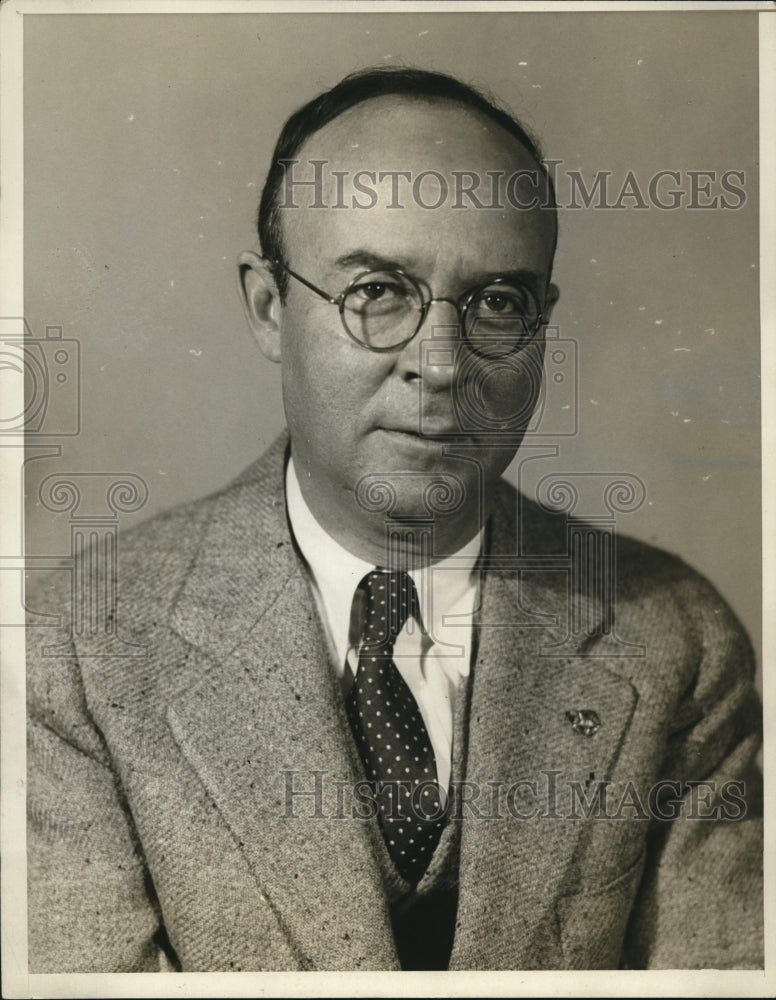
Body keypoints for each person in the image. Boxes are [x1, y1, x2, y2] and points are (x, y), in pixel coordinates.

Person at [27, 67, 763, 972]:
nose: (443, 365)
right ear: (269, 308)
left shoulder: (675, 638)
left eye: (498, 303)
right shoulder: (75, 649)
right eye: (378, 291)